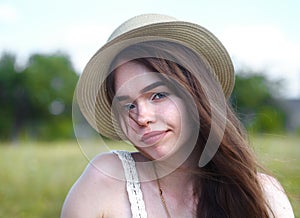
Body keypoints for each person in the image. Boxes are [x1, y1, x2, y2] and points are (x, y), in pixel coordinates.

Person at [61, 14, 294, 218]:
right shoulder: (105, 182)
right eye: (128, 105)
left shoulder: (262, 194)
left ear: (196, 95)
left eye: (158, 95)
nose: (142, 117)